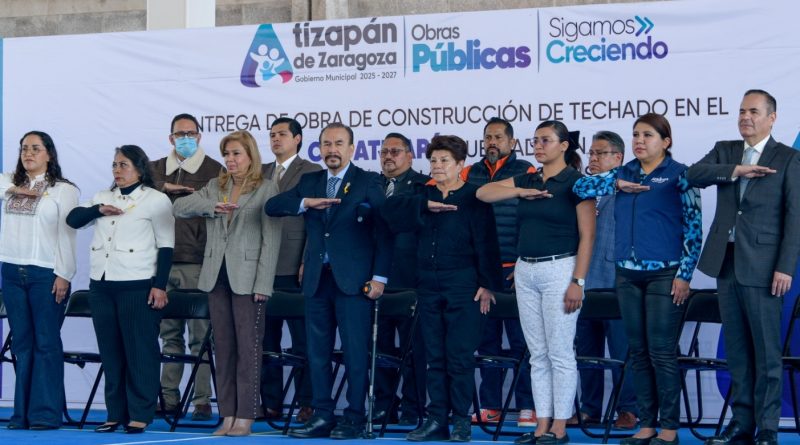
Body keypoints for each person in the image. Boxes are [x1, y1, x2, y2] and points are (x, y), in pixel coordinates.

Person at [572, 113, 702, 445]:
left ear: (666, 142)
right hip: (627, 275)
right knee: (639, 352)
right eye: (636, 135)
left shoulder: (680, 174)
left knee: (661, 352)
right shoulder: (624, 172)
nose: (639, 141)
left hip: (665, 274)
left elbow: (694, 228)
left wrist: (685, 275)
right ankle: (646, 426)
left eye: (647, 135)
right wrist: (615, 184)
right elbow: (580, 186)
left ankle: (669, 430)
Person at [265, 122, 393, 440]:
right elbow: (272, 206)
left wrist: (379, 277)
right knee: (317, 353)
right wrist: (304, 203)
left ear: (351, 148)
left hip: (354, 283)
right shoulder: (311, 181)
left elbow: (384, 231)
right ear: (319, 148)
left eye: (338, 144)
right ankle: (321, 415)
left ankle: (354, 417)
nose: (332, 150)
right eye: (326, 144)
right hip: (316, 281)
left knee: (354, 353)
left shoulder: (367, 181)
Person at [687, 90, 800, 445]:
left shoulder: (789, 158)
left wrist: (785, 267)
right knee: (737, 351)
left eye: (753, 111)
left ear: (772, 118)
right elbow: (693, 174)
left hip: (765, 267)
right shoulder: (725, 151)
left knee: (766, 352)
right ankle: (741, 423)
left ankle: (767, 427)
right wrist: (735, 170)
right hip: (726, 262)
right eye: (741, 111)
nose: (745, 117)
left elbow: (795, 218)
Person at [477, 120, 595, 445]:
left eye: (545, 140)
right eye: (535, 140)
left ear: (564, 145)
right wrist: (519, 191)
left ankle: (560, 427)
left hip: (561, 268)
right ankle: (541, 426)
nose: (538, 146)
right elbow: (483, 192)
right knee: (537, 354)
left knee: (560, 352)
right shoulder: (529, 178)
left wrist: (578, 280)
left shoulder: (577, 182)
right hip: (525, 270)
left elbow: (587, 237)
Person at [383, 134, 503, 442]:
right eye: (433, 160)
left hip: (464, 284)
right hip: (427, 283)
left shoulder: (473, 196)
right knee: (433, 356)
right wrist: (423, 206)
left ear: (460, 164)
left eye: (444, 160)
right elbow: (389, 212)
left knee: (459, 356)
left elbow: (487, 242)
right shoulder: (421, 193)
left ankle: (461, 419)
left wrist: (487, 285)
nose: (437, 165)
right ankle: (436, 418)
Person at [173, 130, 281, 437]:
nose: (230, 160)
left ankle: (246, 416)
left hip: (249, 279)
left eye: (236, 154)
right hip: (215, 275)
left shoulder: (266, 188)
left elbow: (271, 241)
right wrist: (211, 207)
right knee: (223, 349)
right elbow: (179, 208)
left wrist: (263, 284)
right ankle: (228, 414)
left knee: (248, 349)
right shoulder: (214, 186)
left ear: (250, 156)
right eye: (227, 154)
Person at [66, 145, 175, 434]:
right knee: (111, 353)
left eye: (124, 164)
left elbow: (166, 247)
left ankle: (140, 413)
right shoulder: (103, 197)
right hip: (102, 285)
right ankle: (115, 413)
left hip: (137, 285)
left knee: (140, 351)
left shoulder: (156, 199)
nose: (117, 170)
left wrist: (159, 286)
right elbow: (73, 220)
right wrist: (97, 210)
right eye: (114, 164)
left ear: (140, 168)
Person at [0, 130, 78, 430]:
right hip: (11, 270)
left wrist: (64, 274)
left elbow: (67, 234)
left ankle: (45, 414)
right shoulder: (10, 182)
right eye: (24, 148)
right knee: (22, 343)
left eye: (35, 148)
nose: (28, 154)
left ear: (49, 154)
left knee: (46, 342)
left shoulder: (63, 190)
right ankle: (22, 414)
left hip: (45, 273)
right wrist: (18, 190)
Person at [463, 118, 536, 428]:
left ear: (512, 142)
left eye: (498, 137)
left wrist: (523, 261)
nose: (492, 142)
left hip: (515, 271)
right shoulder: (469, 173)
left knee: (522, 343)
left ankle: (528, 406)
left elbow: (532, 219)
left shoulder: (526, 171)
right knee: (487, 342)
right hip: (482, 275)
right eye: (488, 137)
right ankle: (490, 404)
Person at [151, 113, 221, 421]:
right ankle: (168, 398)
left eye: (191, 133)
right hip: (160, 263)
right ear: (171, 138)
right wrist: (165, 186)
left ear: (200, 136)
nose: (186, 138)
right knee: (169, 335)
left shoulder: (214, 170)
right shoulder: (154, 169)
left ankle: (201, 400)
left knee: (200, 338)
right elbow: (130, 186)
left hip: (198, 261)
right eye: (180, 134)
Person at [569, 131, 638, 430]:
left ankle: (628, 409)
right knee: (587, 351)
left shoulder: (628, 187)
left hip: (616, 282)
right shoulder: (583, 188)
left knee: (622, 351)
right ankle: (590, 409)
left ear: (618, 157)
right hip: (581, 281)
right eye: (592, 153)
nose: (593, 158)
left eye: (601, 153)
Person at [260, 117, 320, 423]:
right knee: (265, 341)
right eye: (272, 134)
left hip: (295, 265)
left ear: (297, 139)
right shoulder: (260, 171)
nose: (275, 139)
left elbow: (317, 222)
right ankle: (270, 403)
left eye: (282, 134)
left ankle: (306, 402)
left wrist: (307, 259)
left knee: (302, 341)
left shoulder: (312, 171)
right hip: (262, 268)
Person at [374, 132, 430, 426]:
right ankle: (383, 405)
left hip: (412, 280)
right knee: (379, 349)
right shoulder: (371, 185)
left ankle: (413, 406)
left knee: (415, 351)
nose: (388, 156)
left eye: (395, 151)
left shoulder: (423, 186)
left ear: (410, 155)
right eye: (384, 151)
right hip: (375, 280)